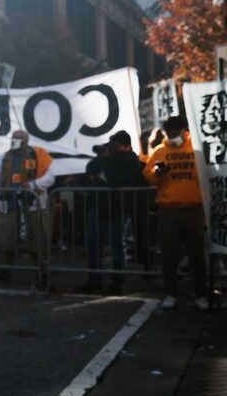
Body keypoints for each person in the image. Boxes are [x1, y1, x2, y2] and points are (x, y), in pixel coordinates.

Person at [143, 116, 209, 311]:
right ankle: (171, 293)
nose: (173, 137)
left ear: (184, 130)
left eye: (176, 132)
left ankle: (201, 294)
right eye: (169, 133)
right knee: (169, 255)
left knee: (196, 254)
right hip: (168, 208)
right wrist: (157, 173)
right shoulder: (159, 151)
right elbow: (148, 177)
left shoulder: (196, 148)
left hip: (193, 208)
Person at [80, 131, 145, 295]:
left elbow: (117, 180)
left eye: (115, 145)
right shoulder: (107, 157)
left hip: (119, 208)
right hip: (99, 205)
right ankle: (94, 280)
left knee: (117, 246)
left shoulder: (132, 160)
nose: (112, 148)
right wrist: (102, 156)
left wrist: (108, 159)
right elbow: (90, 169)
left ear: (125, 146)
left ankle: (117, 283)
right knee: (93, 245)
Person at [0, 130, 55, 284]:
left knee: (37, 239)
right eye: (13, 138)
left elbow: (50, 177)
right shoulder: (3, 158)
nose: (15, 140)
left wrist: (32, 185)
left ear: (26, 140)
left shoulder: (39, 155)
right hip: (10, 205)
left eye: (19, 138)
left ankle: (41, 271)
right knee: (7, 239)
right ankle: (6, 269)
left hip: (33, 205)